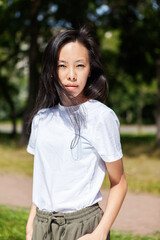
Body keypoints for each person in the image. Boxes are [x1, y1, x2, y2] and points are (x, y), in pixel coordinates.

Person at [26, 26, 127, 240]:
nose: (71, 75)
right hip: (42, 225)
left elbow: (119, 183)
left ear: (90, 69)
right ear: (52, 70)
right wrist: (31, 225)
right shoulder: (41, 119)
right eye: (63, 66)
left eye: (79, 65)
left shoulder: (101, 117)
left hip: (83, 228)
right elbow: (43, 179)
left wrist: (100, 233)